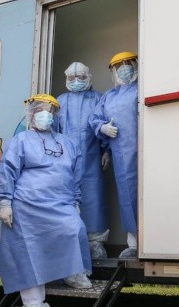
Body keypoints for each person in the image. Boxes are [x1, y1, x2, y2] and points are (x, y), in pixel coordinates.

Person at [0, 94, 92, 307]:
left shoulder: (67, 143)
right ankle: (33, 301)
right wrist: (5, 203)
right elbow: (7, 171)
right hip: (27, 206)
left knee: (74, 230)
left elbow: (76, 174)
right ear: (31, 114)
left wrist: (76, 201)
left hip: (61, 204)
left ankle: (72, 273)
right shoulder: (20, 141)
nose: (45, 115)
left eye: (50, 111)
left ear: (55, 115)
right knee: (29, 251)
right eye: (40, 111)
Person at [56, 62, 111, 259]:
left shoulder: (98, 98)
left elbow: (104, 124)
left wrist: (107, 151)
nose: (76, 81)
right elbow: (53, 131)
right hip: (65, 161)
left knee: (93, 197)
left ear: (89, 77)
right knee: (65, 199)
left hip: (91, 158)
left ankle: (96, 243)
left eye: (80, 77)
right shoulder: (60, 101)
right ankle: (69, 242)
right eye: (71, 78)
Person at [89, 52, 139, 258]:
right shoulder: (108, 96)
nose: (123, 70)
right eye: (118, 67)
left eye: (127, 65)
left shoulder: (144, 88)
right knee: (128, 195)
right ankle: (134, 243)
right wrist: (103, 130)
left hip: (148, 151)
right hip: (122, 154)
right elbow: (95, 119)